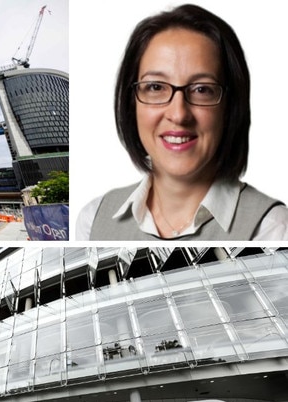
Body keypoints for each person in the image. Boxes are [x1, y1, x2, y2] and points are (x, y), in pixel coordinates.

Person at [76, 4, 288, 240]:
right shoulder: (93, 219)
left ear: (230, 107)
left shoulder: (271, 228)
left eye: (201, 89)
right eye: (155, 87)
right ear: (131, 104)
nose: (178, 114)